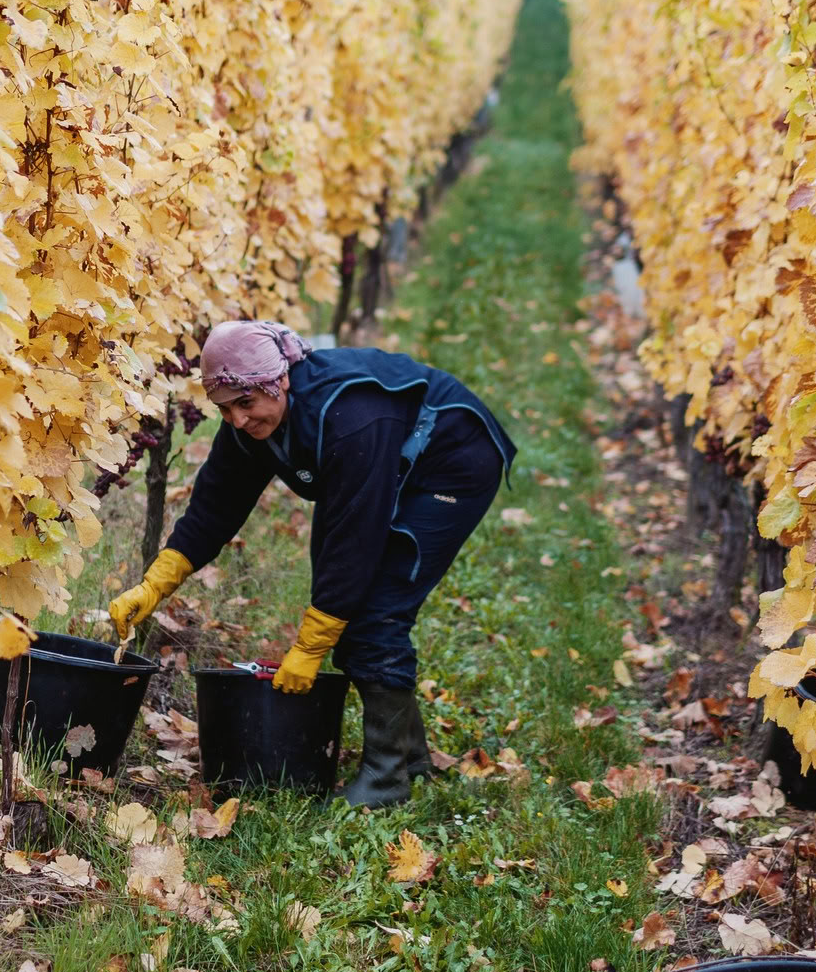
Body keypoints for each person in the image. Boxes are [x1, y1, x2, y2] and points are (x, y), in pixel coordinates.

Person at [109, 320, 514, 808]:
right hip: (381, 467)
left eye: (245, 403)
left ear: (278, 380)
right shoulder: (251, 421)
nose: (237, 419)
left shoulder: (350, 416)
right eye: (225, 409)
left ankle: (386, 780)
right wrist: (154, 585)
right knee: (345, 596)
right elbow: (215, 506)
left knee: (377, 609)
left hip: (452, 461)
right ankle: (409, 757)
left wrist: (310, 647)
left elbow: (356, 543)